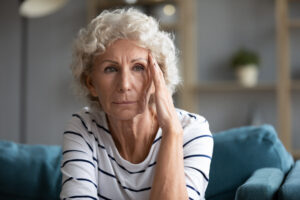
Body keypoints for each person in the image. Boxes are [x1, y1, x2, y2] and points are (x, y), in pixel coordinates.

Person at [60, 8, 213, 200]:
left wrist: (172, 133)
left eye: (139, 67)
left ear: (159, 77)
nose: (124, 85)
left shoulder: (192, 130)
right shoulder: (83, 127)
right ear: (91, 84)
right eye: (110, 69)